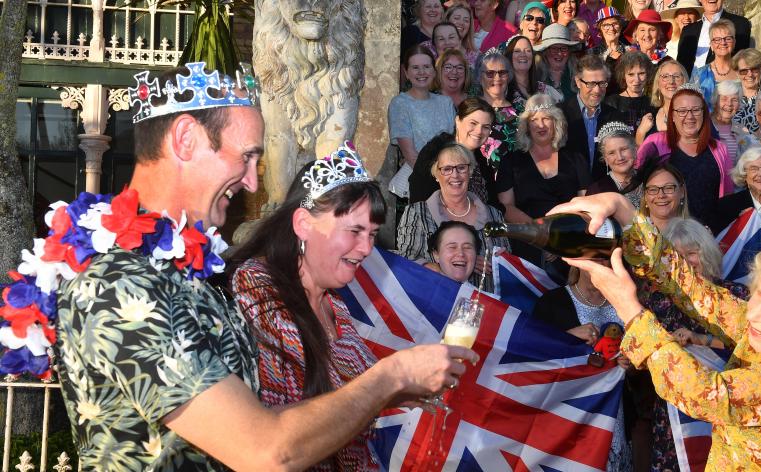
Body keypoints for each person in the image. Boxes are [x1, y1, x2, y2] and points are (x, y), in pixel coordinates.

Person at [49, 64, 477, 470]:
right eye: (247, 156)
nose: (253, 182)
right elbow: (265, 451)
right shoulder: (119, 283)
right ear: (185, 139)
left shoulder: (183, 274)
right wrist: (393, 375)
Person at [554, 191, 761, 471]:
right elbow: (693, 292)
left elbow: (707, 395)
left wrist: (628, 307)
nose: (755, 314)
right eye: (758, 295)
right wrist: (622, 208)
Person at [230, 153, 392, 471]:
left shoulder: (337, 308)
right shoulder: (257, 288)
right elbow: (278, 433)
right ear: (304, 224)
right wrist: (389, 380)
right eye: (354, 231)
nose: (367, 248)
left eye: (372, 234)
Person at [636, 216, 748, 472]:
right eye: (676, 257)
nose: (684, 264)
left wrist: (702, 340)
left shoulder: (737, 296)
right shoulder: (657, 301)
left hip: (728, 403)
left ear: (707, 253)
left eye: (692, 254)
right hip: (675, 411)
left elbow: (752, 348)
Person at [532, 264, 634, 471]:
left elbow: (646, 368)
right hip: (567, 421)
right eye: (594, 261)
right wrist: (568, 337)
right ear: (576, 262)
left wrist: (632, 363)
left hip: (615, 418)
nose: (602, 267)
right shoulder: (552, 303)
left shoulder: (627, 304)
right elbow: (532, 360)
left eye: (607, 261)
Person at [496, 93, 590, 277]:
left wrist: (558, 238)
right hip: (527, 245)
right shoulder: (511, 161)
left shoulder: (576, 159)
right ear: (526, 126)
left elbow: (585, 206)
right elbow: (506, 207)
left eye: (546, 118)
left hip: (569, 246)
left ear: (556, 122)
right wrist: (540, 234)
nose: (540, 125)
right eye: (534, 120)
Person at [399, 144, 509, 290]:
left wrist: (500, 262)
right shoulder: (417, 212)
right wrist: (457, 262)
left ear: (470, 172)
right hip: (436, 300)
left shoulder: (495, 215)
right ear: (436, 175)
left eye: (461, 168)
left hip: (485, 304)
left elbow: (508, 263)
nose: (455, 175)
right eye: (447, 169)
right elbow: (406, 259)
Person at [637, 85, 734, 229]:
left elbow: (727, 196)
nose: (690, 116)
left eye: (695, 110)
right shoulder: (655, 143)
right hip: (666, 234)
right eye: (682, 111)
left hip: (709, 235)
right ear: (673, 116)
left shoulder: (720, 149)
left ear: (704, 114)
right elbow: (638, 186)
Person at [388, 45, 456, 198]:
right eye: (415, 67)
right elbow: (410, 154)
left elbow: (455, 145)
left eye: (426, 66)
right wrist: (439, 180)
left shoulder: (446, 102)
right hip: (420, 181)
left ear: (433, 70)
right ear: (406, 72)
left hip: (451, 181)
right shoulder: (399, 103)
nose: (421, 72)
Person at [409, 97, 498, 206]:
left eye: (486, 127)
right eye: (473, 123)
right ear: (457, 121)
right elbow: (420, 198)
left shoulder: (482, 163)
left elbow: (493, 204)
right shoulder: (435, 153)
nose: (479, 131)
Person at [562, 54, 621, 181]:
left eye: (602, 83)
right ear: (578, 82)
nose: (597, 90)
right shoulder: (560, 113)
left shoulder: (614, 116)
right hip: (567, 192)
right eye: (591, 84)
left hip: (601, 192)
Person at [676, 0, 752, 76]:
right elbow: (681, 64)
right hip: (689, 84)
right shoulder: (688, 30)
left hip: (723, 83)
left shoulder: (740, 24)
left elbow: (740, 59)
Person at [477, 52, 523, 170]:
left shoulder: (522, 111)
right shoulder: (471, 109)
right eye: (490, 73)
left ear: (508, 77)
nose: (497, 78)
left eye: (502, 73)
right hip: (483, 180)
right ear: (480, 77)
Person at [587, 121, 643, 207]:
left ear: (634, 150)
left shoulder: (648, 179)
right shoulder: (596, 191)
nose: (620, 157)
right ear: (605, 159)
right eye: (611, 153)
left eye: (623, 149)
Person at [635, 60, 688, 144]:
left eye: (677, 76)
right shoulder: (648, 115)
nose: (671, 81)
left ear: (684, 81)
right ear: (658, 83)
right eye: (665, 76)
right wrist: (641, 132)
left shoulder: (695, 113)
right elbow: (639, 154)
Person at [689, 19, 738, 104]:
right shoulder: (699, 74)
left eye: (728, 38)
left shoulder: (744, 71)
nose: (723, 42)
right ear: (711, 45)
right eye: (717, 39)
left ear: (734, 42)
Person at [505, 35, 563, 102]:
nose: (523, 54)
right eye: (517, 51)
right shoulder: (504, 90)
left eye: (528, 51)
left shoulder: (546, 90)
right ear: (509, 56)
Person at [604, 51, 653, 129]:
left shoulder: (653, 103)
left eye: (641, 73)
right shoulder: (611, 103)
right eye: (631, 74)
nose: (637, 79)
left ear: (648, 74)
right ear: (623, 75)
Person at [535, 23, 582, 101]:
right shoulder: (535, 75)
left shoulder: (579, 74)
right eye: (554, 49)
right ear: (545, 52)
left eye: (564, 48)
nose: (559, 53)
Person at [640, 160, 689, 232]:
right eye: (653, 189)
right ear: (645, 195)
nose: (661, 195)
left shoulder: (699, 235)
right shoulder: (632, 237)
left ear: (682, 191)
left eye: (668, 188)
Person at [710, 79, 748, 167]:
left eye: (734, 100)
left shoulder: (742, 130)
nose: (729, 104)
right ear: (715, 101)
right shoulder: (705, 126)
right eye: (724, 99)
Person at [590, 7, 629, 84]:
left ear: (620, 26)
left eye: (615, 24)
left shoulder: (629, 51)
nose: (611, 28)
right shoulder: (592, 53)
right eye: (606, 25)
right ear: (600, 29)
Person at [731, 47, 761, 132]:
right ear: (737, 73)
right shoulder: (728, 99)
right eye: (744, 71)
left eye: (754, 69)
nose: (750, 74)